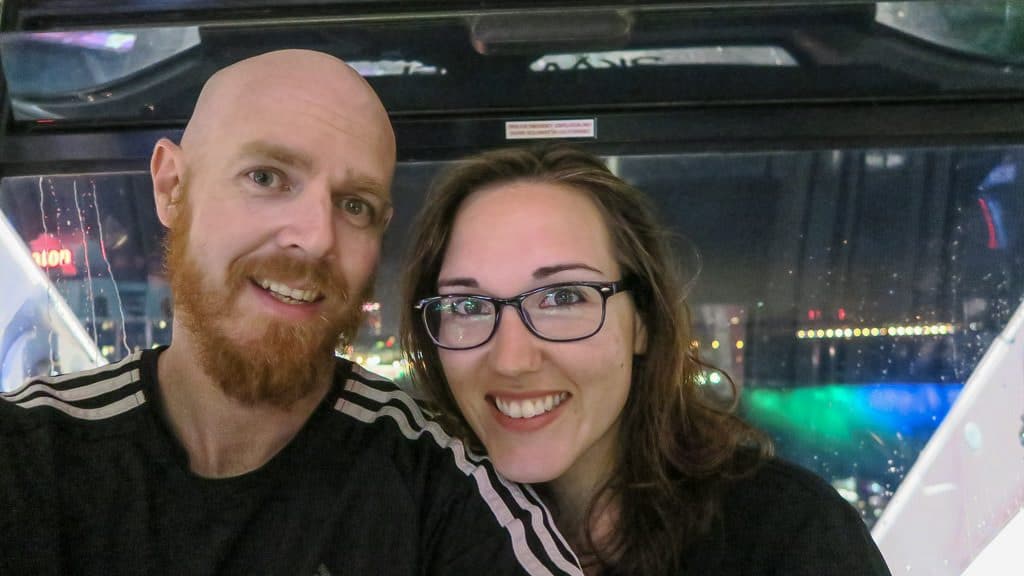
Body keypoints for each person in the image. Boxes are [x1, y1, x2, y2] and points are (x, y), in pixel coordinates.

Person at [0, 51, 581, 576]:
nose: (315, 237)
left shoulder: (438, 485)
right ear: (172, 187)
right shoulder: (32, 457)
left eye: (355, 205)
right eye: (267, 178)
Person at [401, 144, 893, 575]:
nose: (511, 359)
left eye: (563, 298)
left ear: (642, 322)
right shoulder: (410, 533)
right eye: (466, 306)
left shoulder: (784, 535)